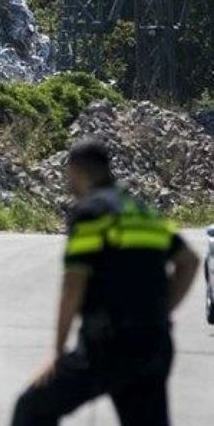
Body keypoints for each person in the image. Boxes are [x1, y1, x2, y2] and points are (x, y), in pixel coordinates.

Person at [11, 140, 200, 426]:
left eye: (67, 175)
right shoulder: (139, 210)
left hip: (109, 345)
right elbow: (189, 261)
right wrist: (161, 311)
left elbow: (73, 285)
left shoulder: (90, 212)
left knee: (32, 409)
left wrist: (58, 354)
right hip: (155, 343)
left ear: (76, 171)